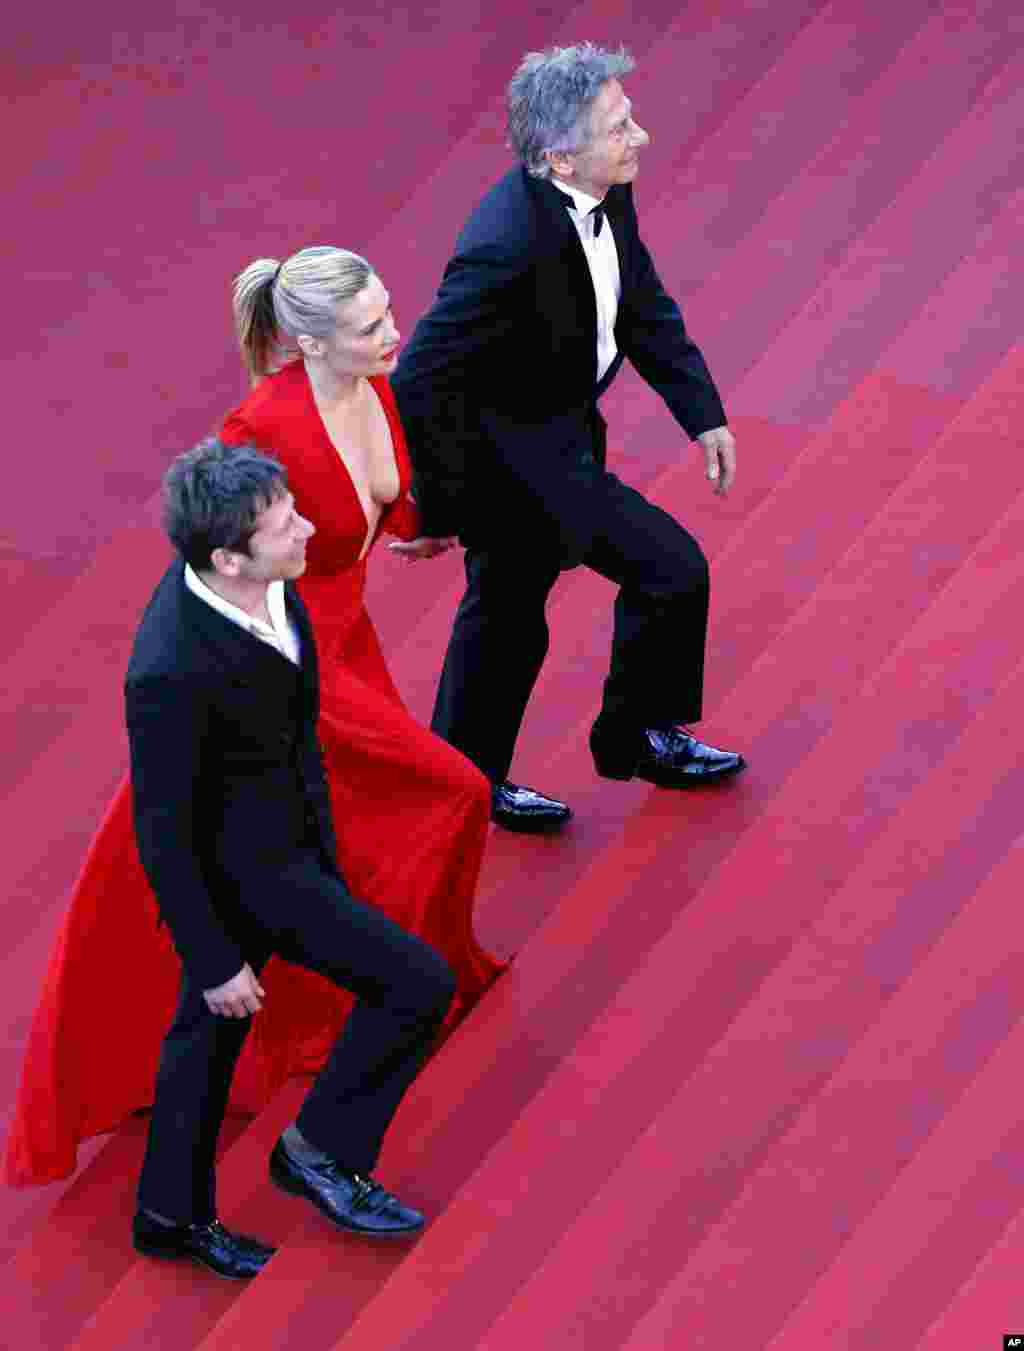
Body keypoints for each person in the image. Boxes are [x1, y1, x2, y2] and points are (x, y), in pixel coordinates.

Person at [3, 247, 501, 1194]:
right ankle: (384, 991)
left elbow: (373, 504)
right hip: (290, 664)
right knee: (448, 791)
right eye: (369, 325)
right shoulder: (261, 424)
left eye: (388, 312)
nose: (395, 331)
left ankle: (366, 987)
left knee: (338, 830)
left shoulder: (369, 383)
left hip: (341, 643)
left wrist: (413, 527)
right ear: (310, 341)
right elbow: (226, 548)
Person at [393, 42, 746, 833]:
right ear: (560, 154)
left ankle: (463, 782)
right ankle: (637, 738)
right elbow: (419, 374)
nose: (641, 137)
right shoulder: (504, 242)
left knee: (505, 619)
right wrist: (437, 507)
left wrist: (703, 412)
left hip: (559, 436)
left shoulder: (604, 191)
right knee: (671, 569)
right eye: (620, 127)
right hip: (516, 465)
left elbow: (639, 301)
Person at [131, 440, 456, 1274]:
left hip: (292, 847)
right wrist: (211, 956)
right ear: (226, 556)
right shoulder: (170, 669)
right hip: (248, 876)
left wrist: (323, 843)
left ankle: (169, 1216)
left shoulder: (274, 588)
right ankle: (318, 1149)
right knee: (417, 982)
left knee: (203, 1045)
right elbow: (162, 827)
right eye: (285, 525)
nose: (308, 529)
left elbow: (296, 728)